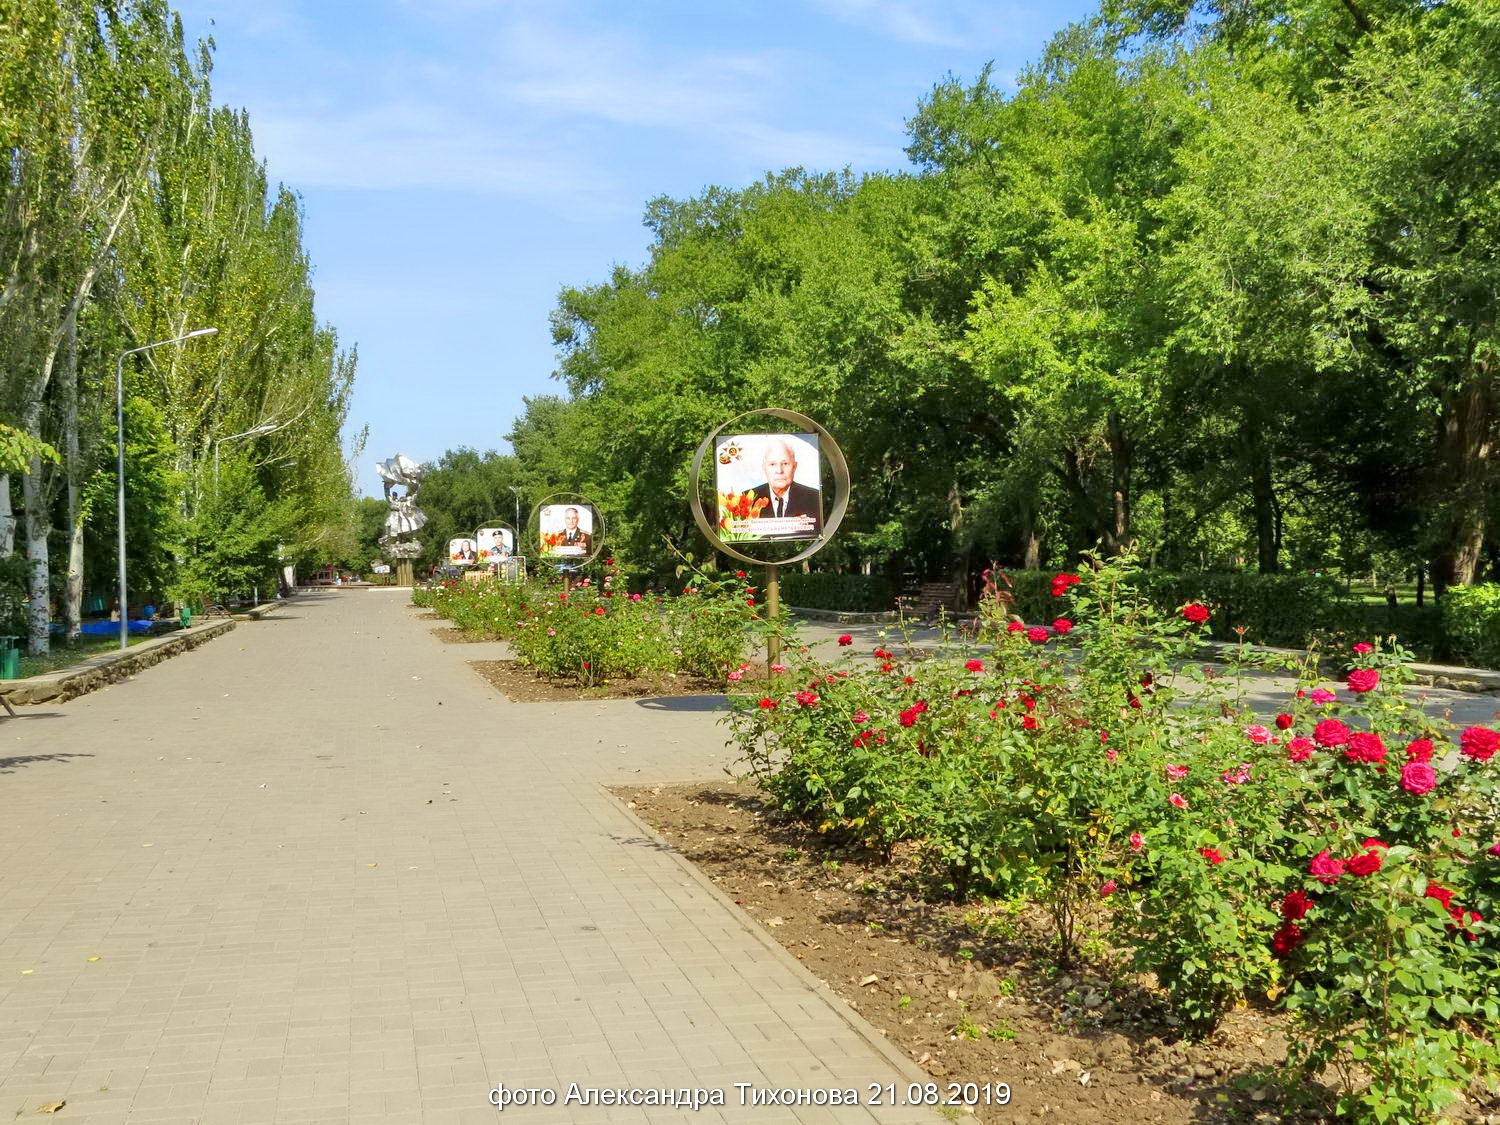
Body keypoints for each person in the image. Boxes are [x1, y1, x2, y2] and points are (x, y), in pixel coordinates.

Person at [750, 437, 821, 534]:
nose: (779, 470)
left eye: (785, 463)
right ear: (764, 468)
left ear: (794, 466)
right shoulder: (748, 499)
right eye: (772, 464)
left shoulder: (814, 498)